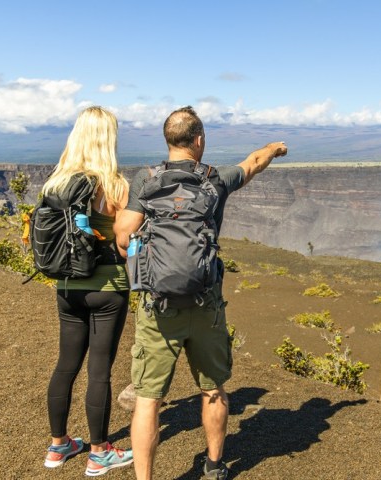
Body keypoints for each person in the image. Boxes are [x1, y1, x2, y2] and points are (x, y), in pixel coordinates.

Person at [115, 106, 287, 480]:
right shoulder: (216, 180)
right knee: (213, 389)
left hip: (158, 308)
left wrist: (151, 264)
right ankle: (213, 466)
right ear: (199, 140)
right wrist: (273, 148)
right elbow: (253, 163)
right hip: (205, 302)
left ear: (168, 140)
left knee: (148, 399)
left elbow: (124, 236)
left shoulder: (145, 181)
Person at [43, 106, 134, 476]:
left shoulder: (55, 183)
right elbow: (126, 243)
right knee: (99, 371)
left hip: (66, 286)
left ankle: (58, 446)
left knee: (65, 365)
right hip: (107, 288)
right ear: (107, 139)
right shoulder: (116, 185)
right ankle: (99, 452)